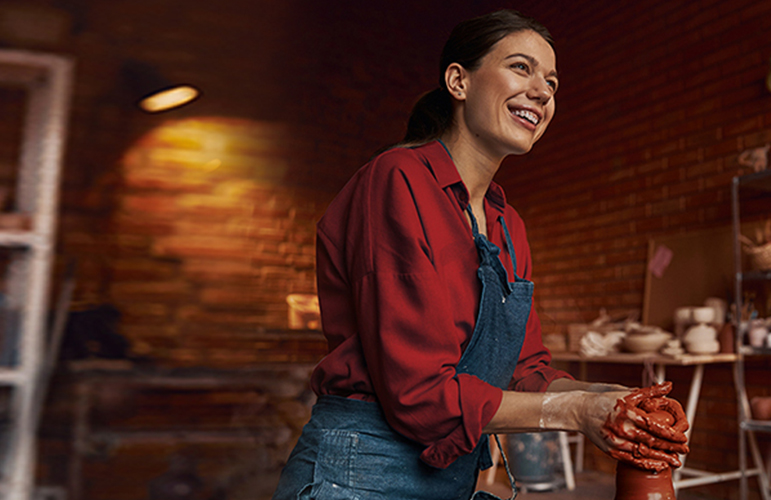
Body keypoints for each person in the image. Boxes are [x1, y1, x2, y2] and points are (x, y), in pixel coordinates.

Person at [273, 10, 689, 500]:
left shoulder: (507, 226)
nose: (542, 91)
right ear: (458, 81)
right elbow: (419, 395)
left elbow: (524, 373)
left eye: (551, 81)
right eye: (521, 68)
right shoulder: (399, 181)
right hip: (361, 475)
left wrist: (613, 401)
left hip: (451, 479)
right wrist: (575, 413)